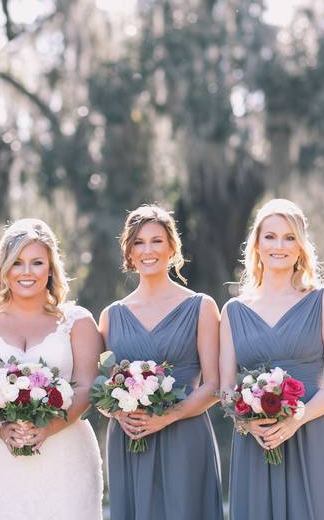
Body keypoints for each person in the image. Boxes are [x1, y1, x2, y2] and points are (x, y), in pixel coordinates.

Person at [0, 218, 104, 520]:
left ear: (50, 268)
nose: (26, 272)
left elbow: (88, 386)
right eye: (17, 262)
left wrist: (48, 429)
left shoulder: (78, 321)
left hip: (65, 453)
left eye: (36, 262)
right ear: (4, 268)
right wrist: (0, 428)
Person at [220, 198, 324, 520]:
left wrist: (298, 418)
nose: (279, 245)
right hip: (256, 439)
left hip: (312, 434)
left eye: (289, 237)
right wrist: (248, 423)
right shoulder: (233, 311)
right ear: (256, 244)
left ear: (301, 247)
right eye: (270, 236)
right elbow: (225, 388)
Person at [98, 204, 223, 520]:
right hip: (130, 438)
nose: (148, 250)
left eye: (156, 240)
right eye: (139, 242)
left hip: (185, 436)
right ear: (129, 252)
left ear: (172, 247)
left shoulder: (201, 307)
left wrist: (168, 417)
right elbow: (97, 386)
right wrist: (115, 412)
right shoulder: (111, 316)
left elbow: (214, 384)